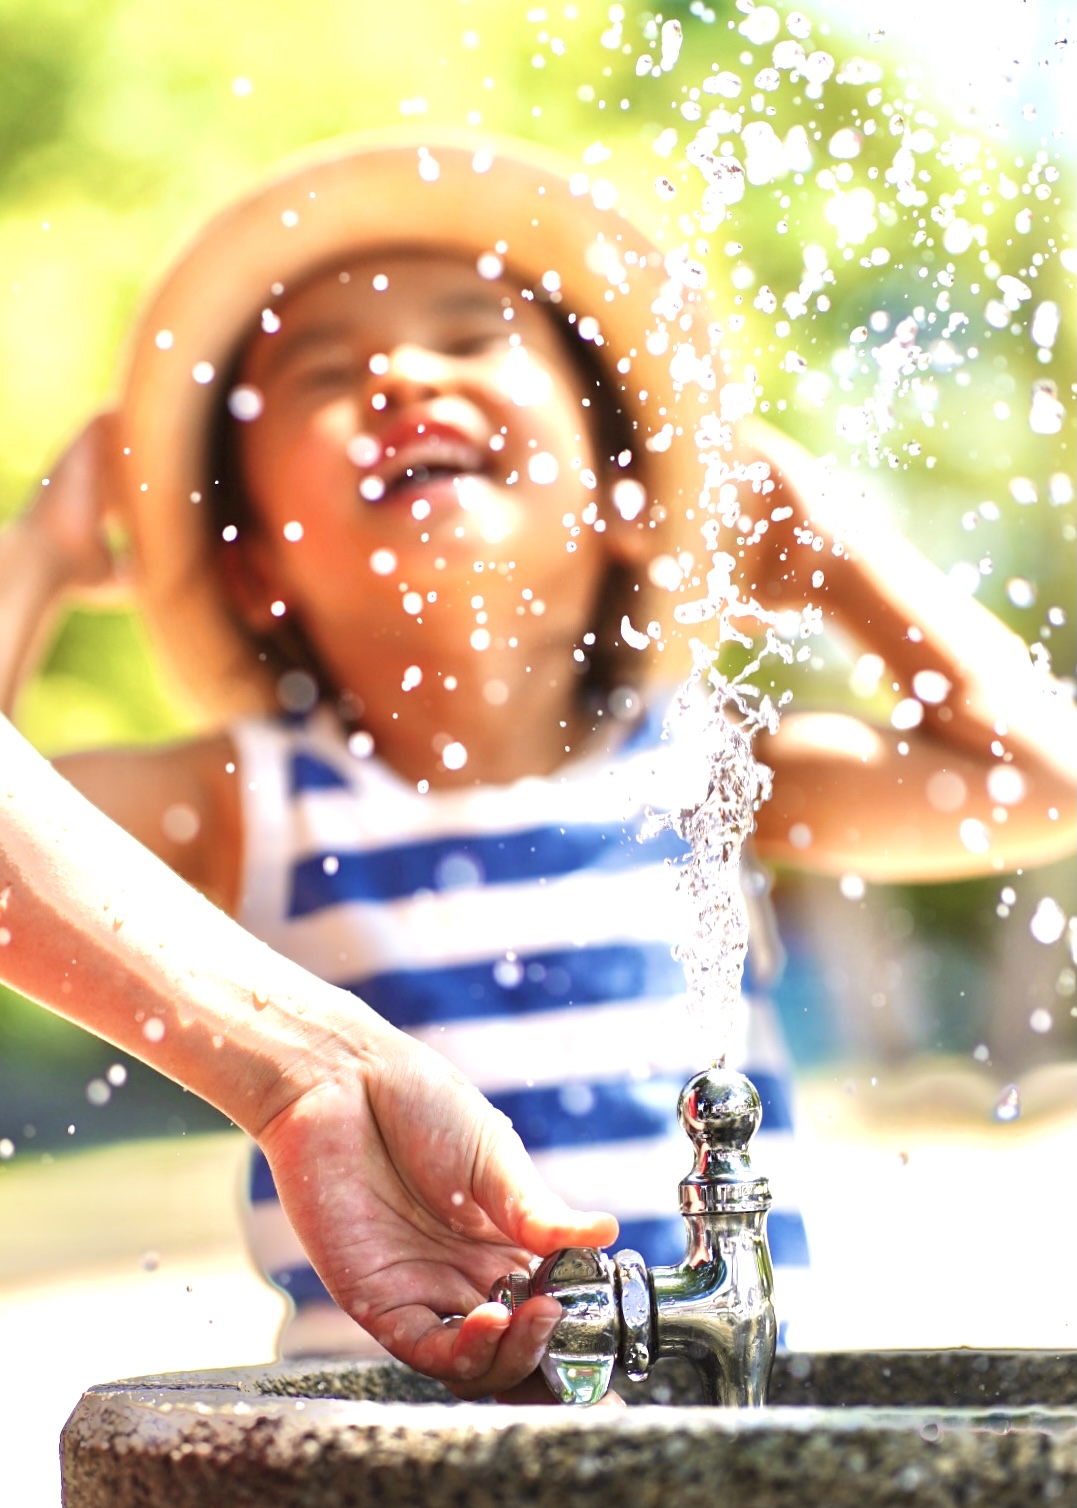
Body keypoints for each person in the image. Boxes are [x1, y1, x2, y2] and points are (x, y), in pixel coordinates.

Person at [2, 131, 1073, 1363]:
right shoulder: (250, 798)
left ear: (624, 505)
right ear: (255, 566)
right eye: (322, 373)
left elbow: (1044, 782)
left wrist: (843, 558)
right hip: (378, 1435)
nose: (401, 372)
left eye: (469, 338)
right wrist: (42, 547)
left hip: (726, 1425)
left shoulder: (714, 775)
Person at [0, 709, 616, 1395]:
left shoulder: (708, 755)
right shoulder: (253, 785)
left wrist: (324, 1073)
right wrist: (318, 1071)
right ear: (255, 594)